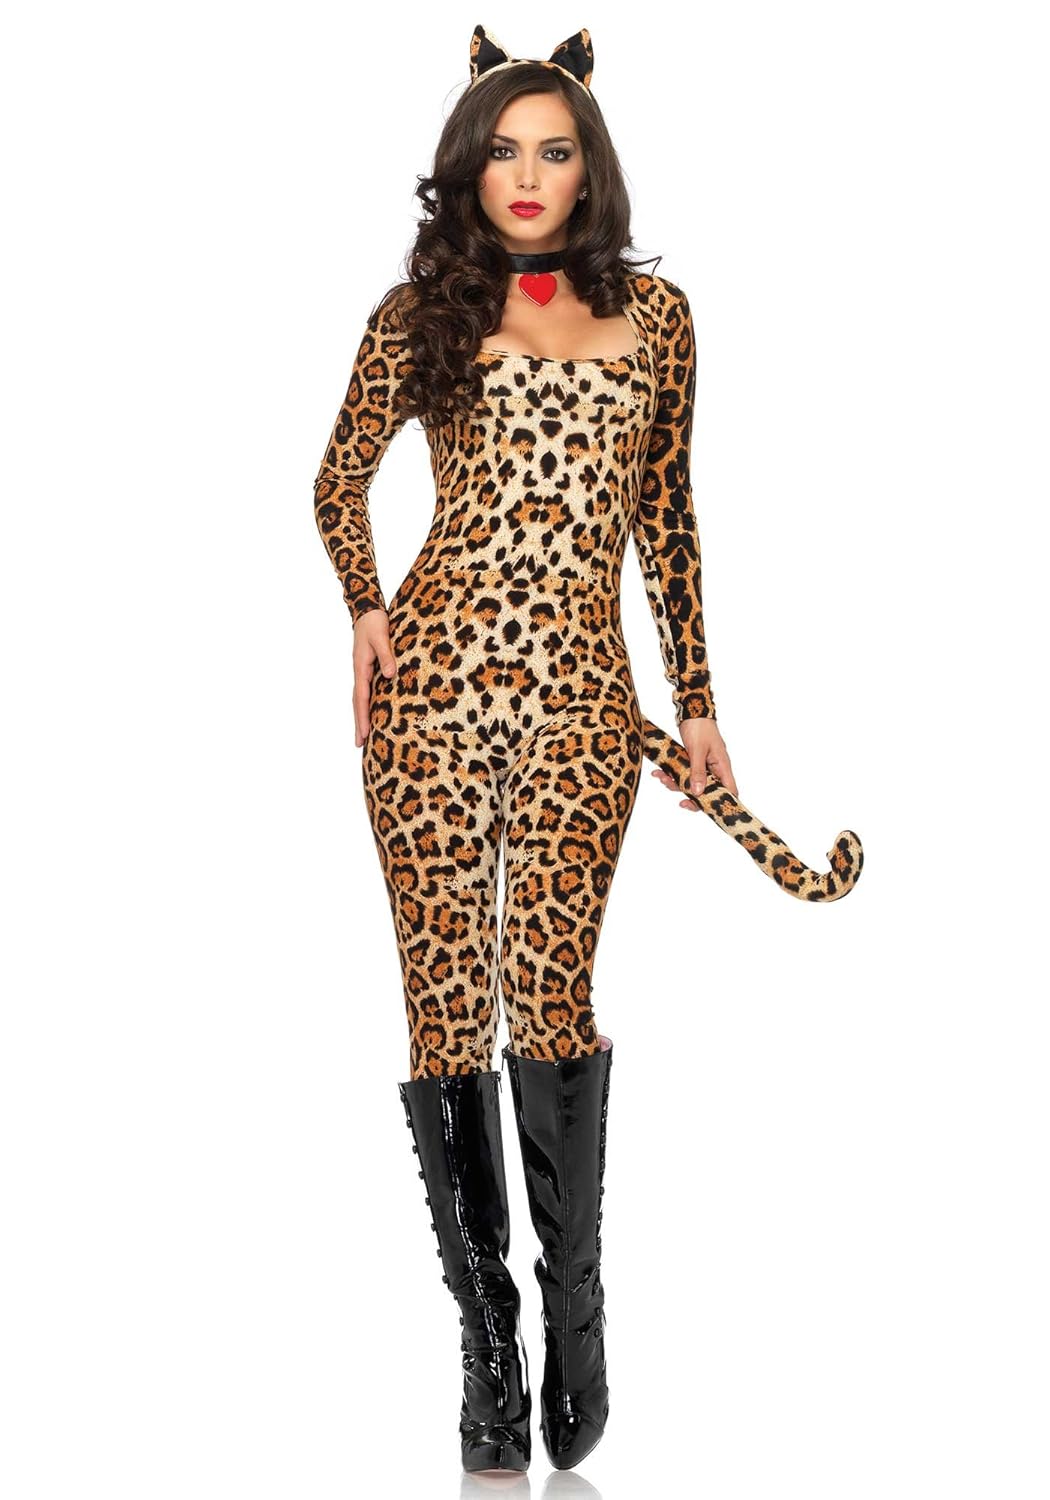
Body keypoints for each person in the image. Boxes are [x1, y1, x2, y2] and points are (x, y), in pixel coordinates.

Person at [312, 25, 738, 1476]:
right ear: (468, 168)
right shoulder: (417, 312)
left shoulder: (659, 317)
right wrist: (367, 608)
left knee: (551, 998)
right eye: (503, 151)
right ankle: (484, 1344)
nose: (529, 177)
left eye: (555, 150)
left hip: (580, 703)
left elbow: (668, 516)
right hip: (429, 699)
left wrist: (697, 701)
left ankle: (577, 1309)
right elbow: (337, 479)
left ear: (589, 165)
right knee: (446, 1013)